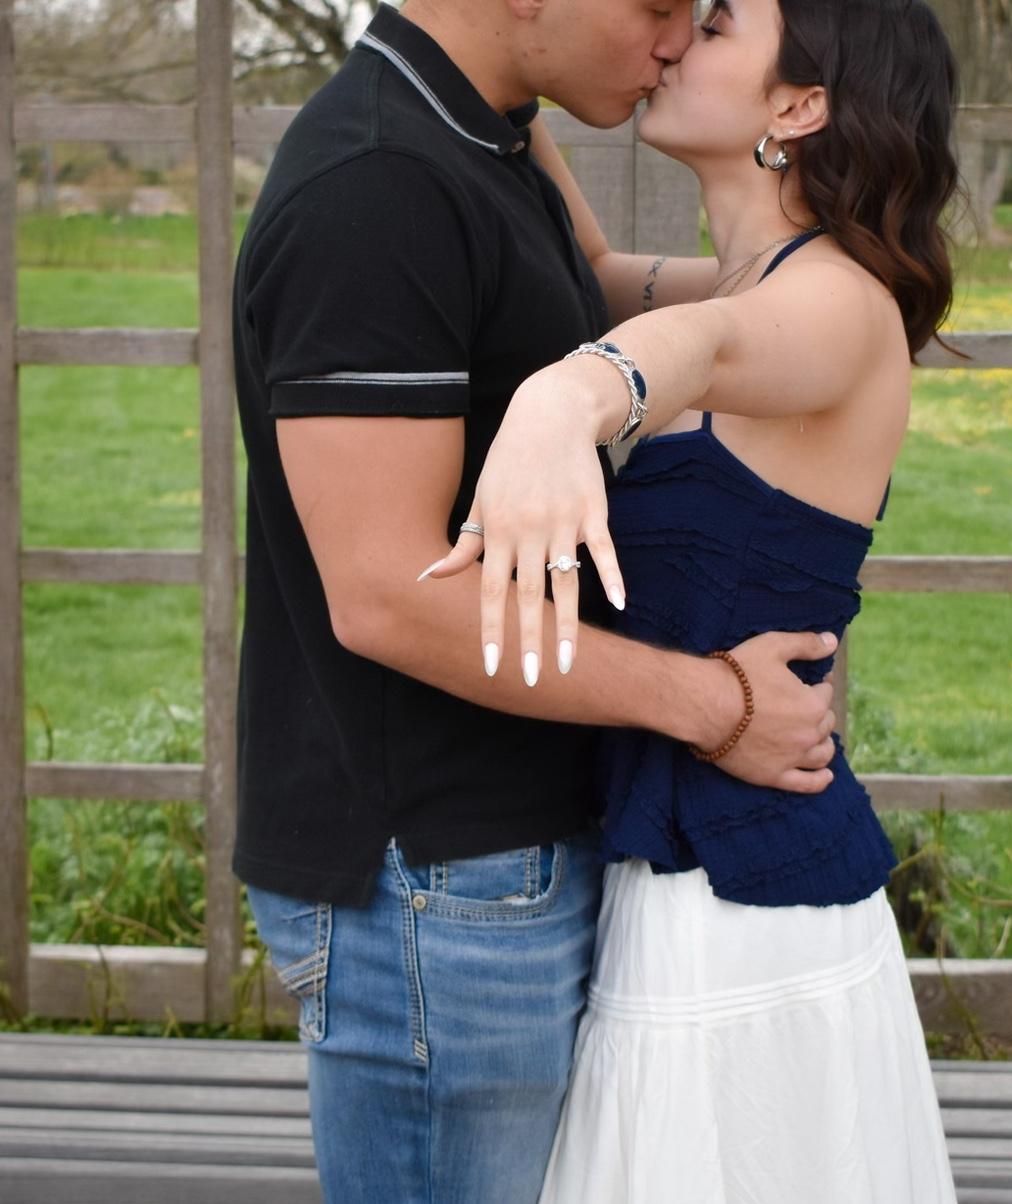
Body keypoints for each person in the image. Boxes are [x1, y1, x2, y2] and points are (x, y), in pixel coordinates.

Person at [230, 1, 845, 1200]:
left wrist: (827, 292)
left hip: (495, 857)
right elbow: (387, 595)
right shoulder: (379, 190)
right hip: (436, 881)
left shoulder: (483, 133)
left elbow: (608, 293)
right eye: (656, 4)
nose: (677, 35)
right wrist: (714, 705)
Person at [427, 0, 965, 1198]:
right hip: (682, 875)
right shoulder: (746, 276)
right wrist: (500, 63)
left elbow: (705, 348)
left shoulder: (837, 300)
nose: (674, 37)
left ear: (799, 104)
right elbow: (596, 277)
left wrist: (567, 399)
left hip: (746, 915)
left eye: (714, 25)